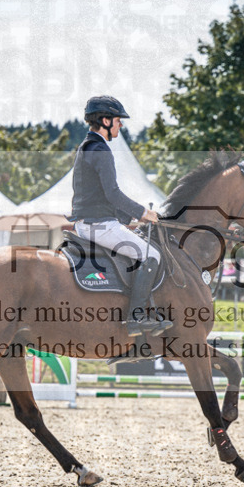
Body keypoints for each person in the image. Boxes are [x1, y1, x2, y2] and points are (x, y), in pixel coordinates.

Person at [69, 95, 169, 337]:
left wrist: (130, 218)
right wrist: (145, 213)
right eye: (117, 120)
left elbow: (103, 196)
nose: (120, 125)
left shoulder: (89, 146)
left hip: (94, 221)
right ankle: (136, 319)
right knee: (151, 255)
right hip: (98, 225)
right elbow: (113, 194)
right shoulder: (100, 148)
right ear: (105, 120)